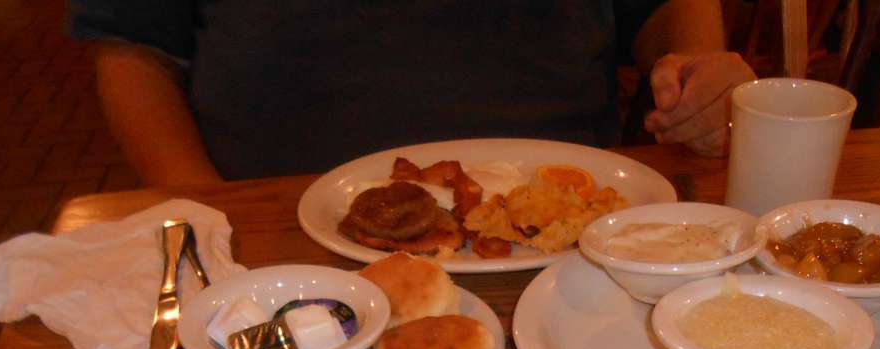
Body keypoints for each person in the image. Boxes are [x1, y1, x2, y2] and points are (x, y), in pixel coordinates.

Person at [70, 1, 756, 186]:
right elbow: (132, 43)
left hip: (565, 217)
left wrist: (695, 72)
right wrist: (204, 207)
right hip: (274, 217)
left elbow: (661, 5)